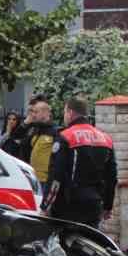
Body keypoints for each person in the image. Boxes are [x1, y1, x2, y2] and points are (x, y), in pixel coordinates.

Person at [43, 97, 117, 229]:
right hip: (94, 204)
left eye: (64, 112)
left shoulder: (66, 136)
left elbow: (56, 175)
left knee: (63, 244)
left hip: (68, 204)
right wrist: (107, 206)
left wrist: (46, 205)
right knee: (90, 243)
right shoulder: (106, 139)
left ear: (70, 112)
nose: (64, 116)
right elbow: (111, 177)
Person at [22, 96, 61, 194]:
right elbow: (21, 143)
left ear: (44, 113)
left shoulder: (55, 132)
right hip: (33, 177)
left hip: (45, 180)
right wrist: (25, 124)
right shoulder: (35, 129)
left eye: (36, 112)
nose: (33, 115)